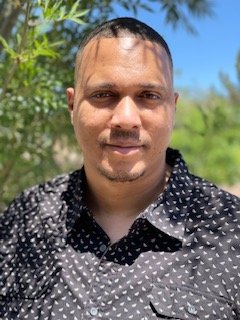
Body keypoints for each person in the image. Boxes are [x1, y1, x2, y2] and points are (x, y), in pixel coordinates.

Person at [0, 17, 239, 320]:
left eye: (149, 96)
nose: (126, 119)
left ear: (173, 108)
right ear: (72, 106)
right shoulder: (24, 219)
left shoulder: (231, 233)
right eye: (104, 95)